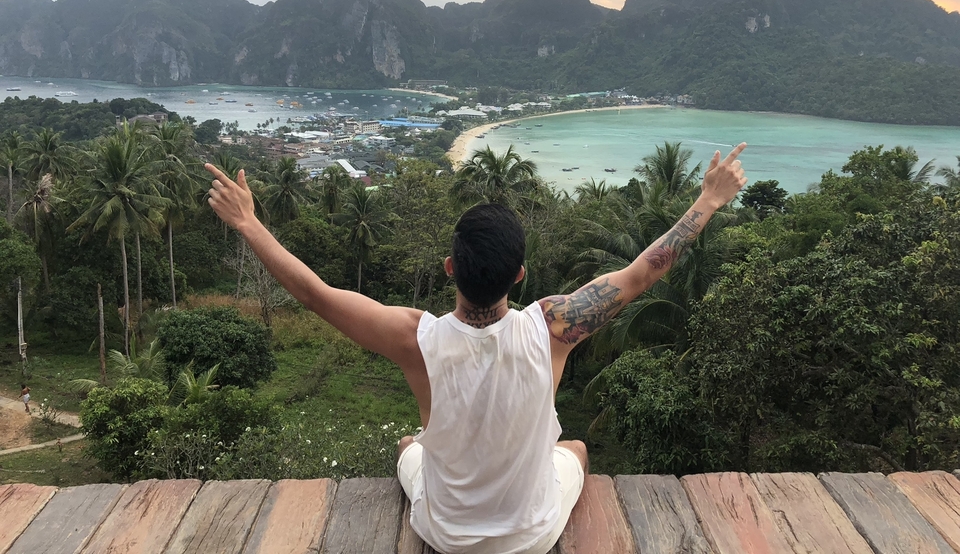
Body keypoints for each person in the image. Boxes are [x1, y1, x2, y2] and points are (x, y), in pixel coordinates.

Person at [204, 142, 747, 554]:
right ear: (520, 275)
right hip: (532, 536)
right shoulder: (555, 326)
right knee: (575, 450)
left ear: (449, 270)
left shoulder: (417, 338)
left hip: (446, 535)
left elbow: (316, 294)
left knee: (408, 446)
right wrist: (710, 198)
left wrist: (249, 222)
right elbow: (640, 274)